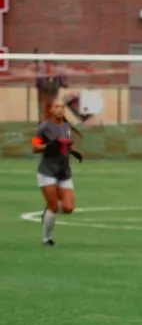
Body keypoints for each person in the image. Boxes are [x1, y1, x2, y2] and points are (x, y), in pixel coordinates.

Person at [32, 98, 79, 247]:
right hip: (47, 171)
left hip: (64, 172)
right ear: (51, 110)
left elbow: (67, 144)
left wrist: (73, 151)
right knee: (53, 206)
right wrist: (48, 145)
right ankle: (47, 239)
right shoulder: (44, 127)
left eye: (62, 107)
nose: (59, 109)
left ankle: (48, 211)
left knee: (68, 208)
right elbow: (34, 147)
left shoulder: (66, 127)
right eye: (56, 106)